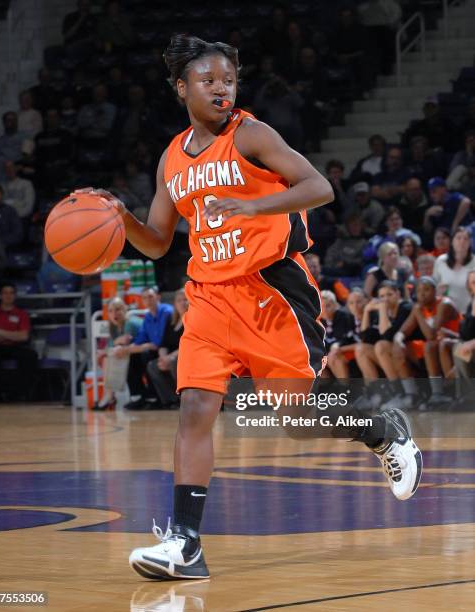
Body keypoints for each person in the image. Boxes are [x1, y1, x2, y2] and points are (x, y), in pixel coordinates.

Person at [79, 34, 421, 580]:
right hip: (210, 296)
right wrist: (120, 219)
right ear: (181, 88)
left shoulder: (252, 133)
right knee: (194, 408)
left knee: (297, 420)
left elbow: (320, 187)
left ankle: (383, 431)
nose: (221, 88)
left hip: (272, 291)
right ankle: (186, 543)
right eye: (208, 80)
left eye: (229, 80)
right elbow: (159, 241)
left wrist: (253, 203)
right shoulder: (172, 158)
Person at [386, 276, 460, 409]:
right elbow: (403, 331)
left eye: (426, 290)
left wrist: (418, 313)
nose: (422, 294)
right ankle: (412, 394)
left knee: (429, 345)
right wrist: (398, 341)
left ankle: (440, 393)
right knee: (399, 347)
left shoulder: (444, 304)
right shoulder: (419, 308)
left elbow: (431, 335)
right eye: (419, 291)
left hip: (456, 342)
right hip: (437, 346)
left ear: (435, 291)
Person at [355, 280, 412, 406]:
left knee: (381, 345)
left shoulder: (406, 308)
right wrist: (366, 311)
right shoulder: (384, 311)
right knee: (361, 349)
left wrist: (381, 310)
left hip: (410, 353)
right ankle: (380, 392)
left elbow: (388, 336)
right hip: (394, 355)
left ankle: (400, 393)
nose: (385, 299)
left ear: (398, 294)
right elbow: (365, 338)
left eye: (389, 294)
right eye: (382, 296)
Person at [115, 286, 173, 409]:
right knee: (133, 356)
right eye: (144, 298)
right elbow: (140, 340)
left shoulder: (167, 312)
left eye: (151, 296)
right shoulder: (147, 317)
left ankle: (154, 397)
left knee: (146, 355)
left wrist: (139, 347)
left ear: (158, 297)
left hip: (169, 349)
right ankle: (138, 397)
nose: (148, 300)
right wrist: (126, 349)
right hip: (154, 349)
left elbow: (160, 342)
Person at [0, 283, 38, 402]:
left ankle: (22, 395)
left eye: (11, 293)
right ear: (1, 295)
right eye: (5, 292)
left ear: (15, 296)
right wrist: (13, 335)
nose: (8, 296)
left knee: (30, 356)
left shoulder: (21, 314)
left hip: (17, 347)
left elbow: (23, 336)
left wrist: (1, 332)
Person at [93, 297, 141, 411]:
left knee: (114, 355)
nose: (114, 313)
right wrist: (109, 348)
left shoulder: (130, 322)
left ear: (125, 309)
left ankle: (110, 396)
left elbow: (125, 341)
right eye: (110, 311)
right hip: (131, 352)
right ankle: (110, 395)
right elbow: (111, 346)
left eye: (118, 309)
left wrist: (112, 345)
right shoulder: (112, 326)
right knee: (106, 357)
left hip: (143, 352)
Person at [147, 288, 188, 408]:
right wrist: (163, 358)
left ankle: (184, 399)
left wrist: (170, 357)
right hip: (171, 356)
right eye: (179, 300)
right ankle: (171, 400)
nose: (182, 303)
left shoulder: (194, 320)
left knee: (176, 362)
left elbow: (189, 345)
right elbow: (163, 344)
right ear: (175, 304)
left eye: (185, 299)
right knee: (153, 365)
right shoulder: (171, 321)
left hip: (187, 356)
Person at [433, 226, 475, 313]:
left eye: (465, 239)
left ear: (470, 242)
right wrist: (438, 291)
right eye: (458, 238)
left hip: (469, 315)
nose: (462, 242)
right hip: (446, 313)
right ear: (452, 241)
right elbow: (434, 285)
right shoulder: (441, 261)